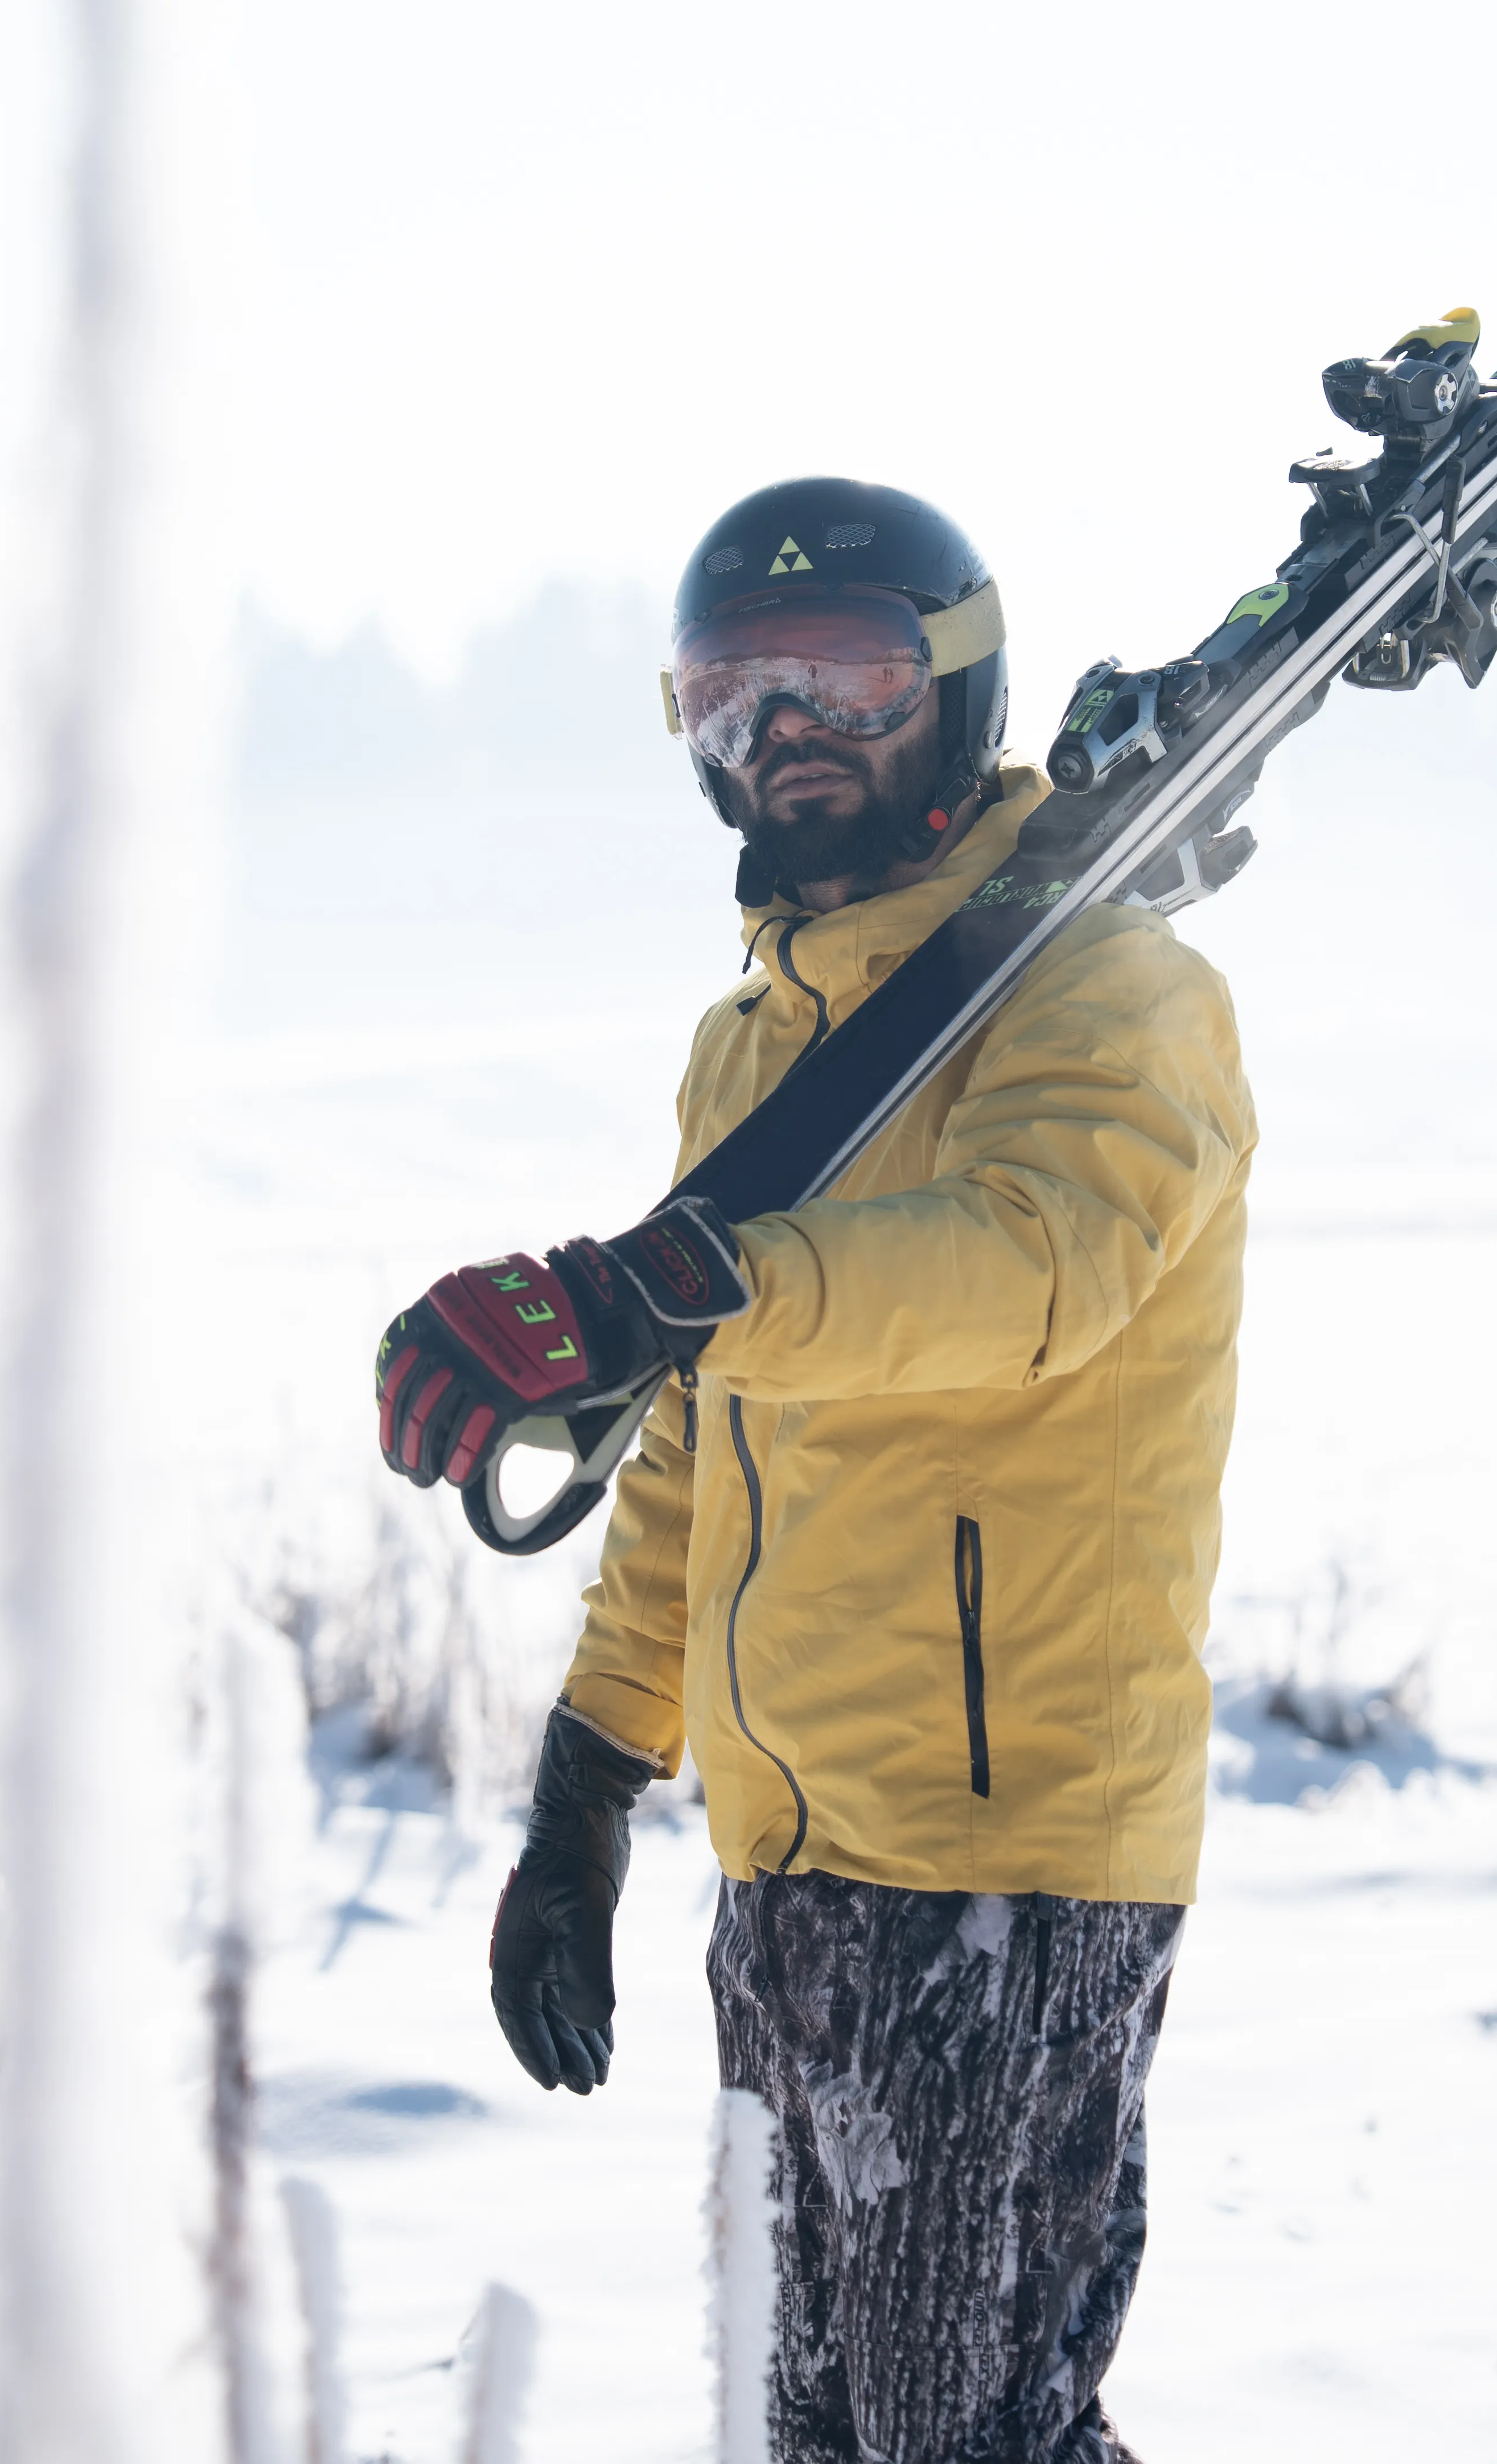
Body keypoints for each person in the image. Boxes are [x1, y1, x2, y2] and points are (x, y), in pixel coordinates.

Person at [371, 475, 1255, 2462]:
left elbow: (1031, 1268)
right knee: (833, 2435)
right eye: (731, 700)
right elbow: (702, 1433)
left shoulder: (1111, 992)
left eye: (844, 684)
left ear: (956, 692)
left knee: (973, 2443)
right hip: (791, 1864)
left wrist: (667, 1279)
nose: (786, 739)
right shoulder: (755, 1048)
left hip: (1007, 1850)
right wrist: (589, 1789)